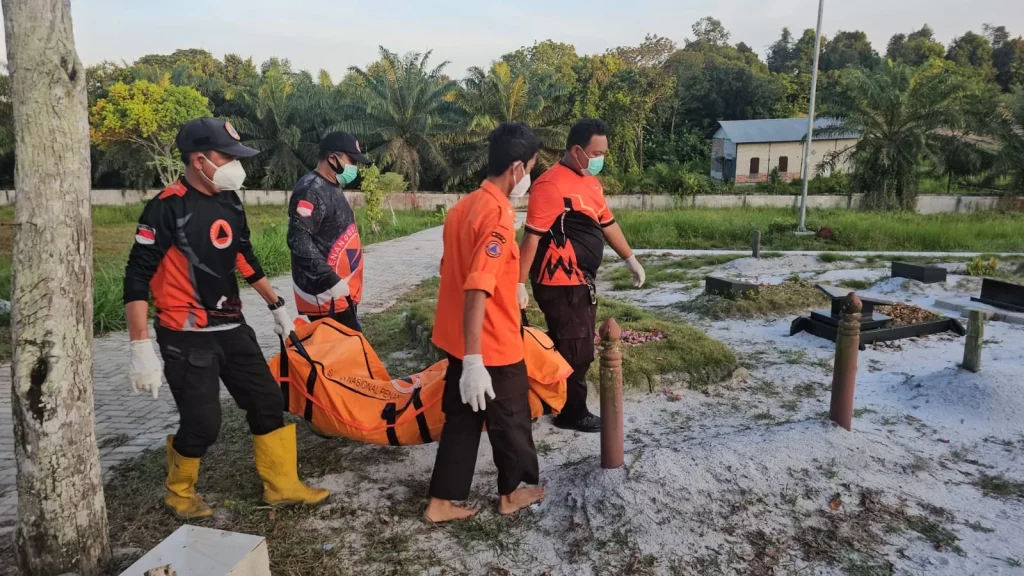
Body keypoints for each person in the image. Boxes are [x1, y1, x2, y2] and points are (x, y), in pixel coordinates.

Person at [124, 117, 329, 519]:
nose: (237, 164)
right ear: (199, 160)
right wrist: (139, 346)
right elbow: (137, 278)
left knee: (268, 401)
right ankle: (179, 492)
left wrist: (278, 307)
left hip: (233, 327)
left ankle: (281, 486)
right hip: (186, 335)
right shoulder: (166, 207)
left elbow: (244, 257)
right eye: (229, 156)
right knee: (203, 424)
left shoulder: (230, 201)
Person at [425, 123, 546, 523]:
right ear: (516, 168)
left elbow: (452, 269)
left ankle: (441, 502)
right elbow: (476, 287)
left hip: (459, 337)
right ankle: (513, 492)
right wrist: (476, 360)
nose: (529, 176)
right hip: (490, 343)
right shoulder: (496, 214)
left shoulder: (464, 207)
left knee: (462, 419)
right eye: (530, 167)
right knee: (512, 419)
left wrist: (511, 283)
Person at [517, 119, 645, 433]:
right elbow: (531, 237)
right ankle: (571, 412)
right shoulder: (550, 185)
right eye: (596, 153)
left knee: (572, 345)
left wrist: (630, 259)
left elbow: (607, 223)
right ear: (577, 151)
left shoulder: (590, 183)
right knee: (576, 349)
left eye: (604, 152)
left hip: (580, 281)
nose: (601, 159)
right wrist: (518, 283)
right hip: (560, 281)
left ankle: (553, 400)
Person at [287, 131, 372, 330]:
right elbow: (298, 239)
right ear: (333, 158)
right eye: (352, 161)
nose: (355, 167)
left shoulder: (331, 185)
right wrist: (330, 280)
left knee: (347, 351)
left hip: (341, 292)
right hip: (325, 294)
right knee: (347, 353)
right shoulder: (310, 190)